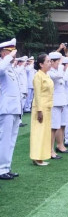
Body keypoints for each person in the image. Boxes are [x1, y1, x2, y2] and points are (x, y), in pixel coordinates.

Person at [0, 38, 21, 180]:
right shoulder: (2, 66)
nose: (13, 54)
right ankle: (1, 169)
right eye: (9, 51)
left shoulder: (11, 68)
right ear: (3, 52)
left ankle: (6, 167)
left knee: (11, 140)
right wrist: (9, 57)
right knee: (4, 140)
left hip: (14, 109)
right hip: (6, 109)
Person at [30, 53, 54, 166]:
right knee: (38, 133)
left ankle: (42, 156)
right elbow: (38, 94)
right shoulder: (38, 76)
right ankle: (36, 157)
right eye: (47, 61)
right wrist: (39, 110)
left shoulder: (47, 75)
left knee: (45, 133)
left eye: (50, 61)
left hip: (47, 107)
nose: (50, 63)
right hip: (40, 108)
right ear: (41, 64)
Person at [48, 51, 68, 158]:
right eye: (57, 62)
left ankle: (57, 146)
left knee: (57, 126)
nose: (59, 64)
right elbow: (59, 76)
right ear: (51, 62)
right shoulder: (50, 72)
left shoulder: (57, 70)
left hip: (60, 103)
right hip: (54, 103)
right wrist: (61, 65)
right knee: (53, 127)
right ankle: (50, 150)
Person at [15, 56, 28, 127]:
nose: (25, 64)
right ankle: (18, 121)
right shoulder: (18, 69)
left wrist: (26, 91)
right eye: (23, 62)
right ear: (19, 63)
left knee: (21, 107)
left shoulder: (23, 69)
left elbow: (25, 81)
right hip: (20, 91)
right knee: (19, 107)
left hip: (23, 90)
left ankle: (19, 121)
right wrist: (22, 65)